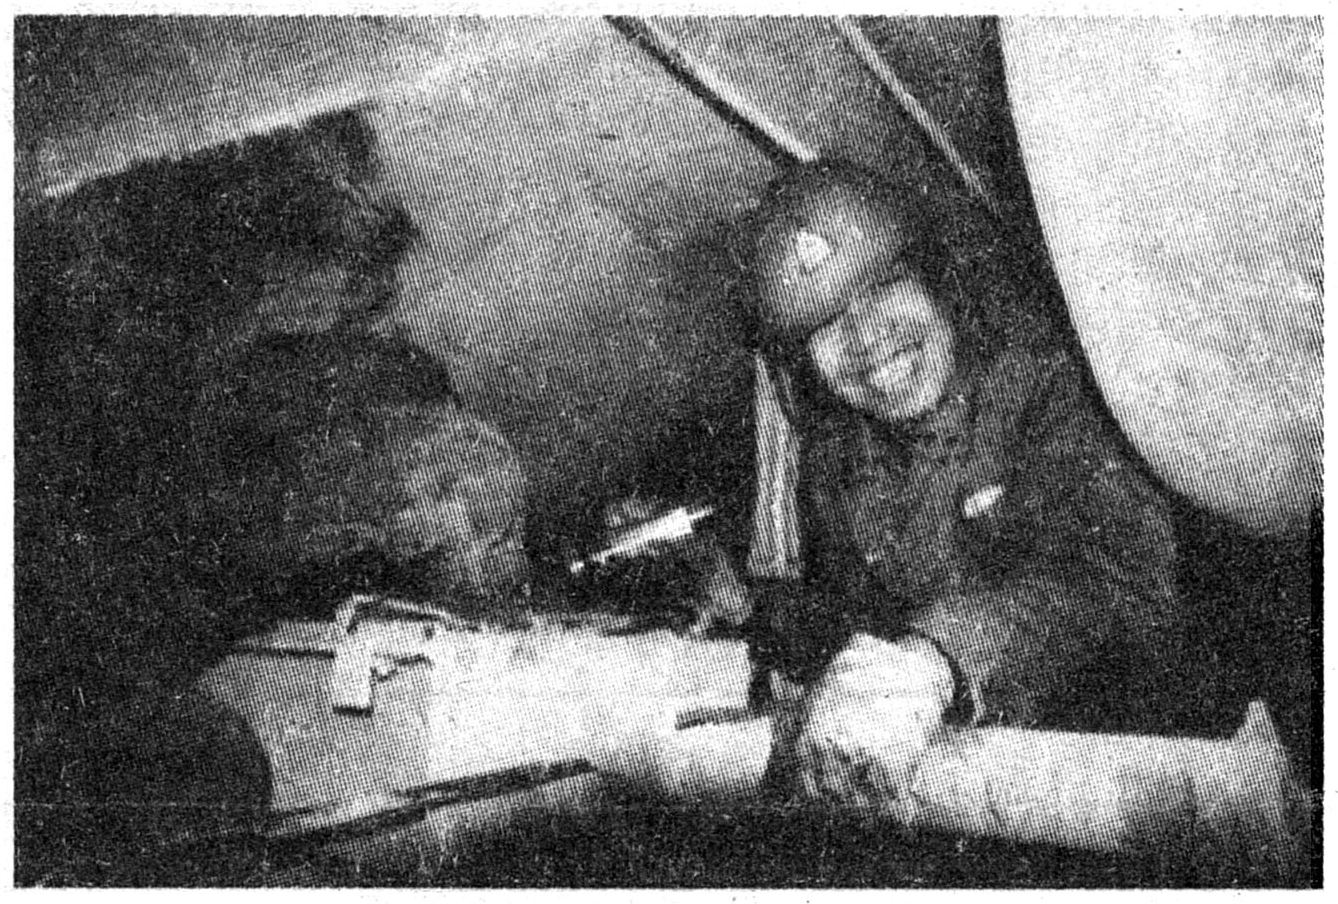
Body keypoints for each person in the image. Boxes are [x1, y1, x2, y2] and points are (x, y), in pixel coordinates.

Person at [739, 158, 1182, 815]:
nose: (866, 339)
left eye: (884, 287)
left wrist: (939, 657)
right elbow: (842, 618)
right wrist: (754, 615)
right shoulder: (842, 460)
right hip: (966, 790)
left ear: (938, 283)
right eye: (826, 323)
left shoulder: (1047, 389)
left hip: (1125, 773)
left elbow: (1122, 584)